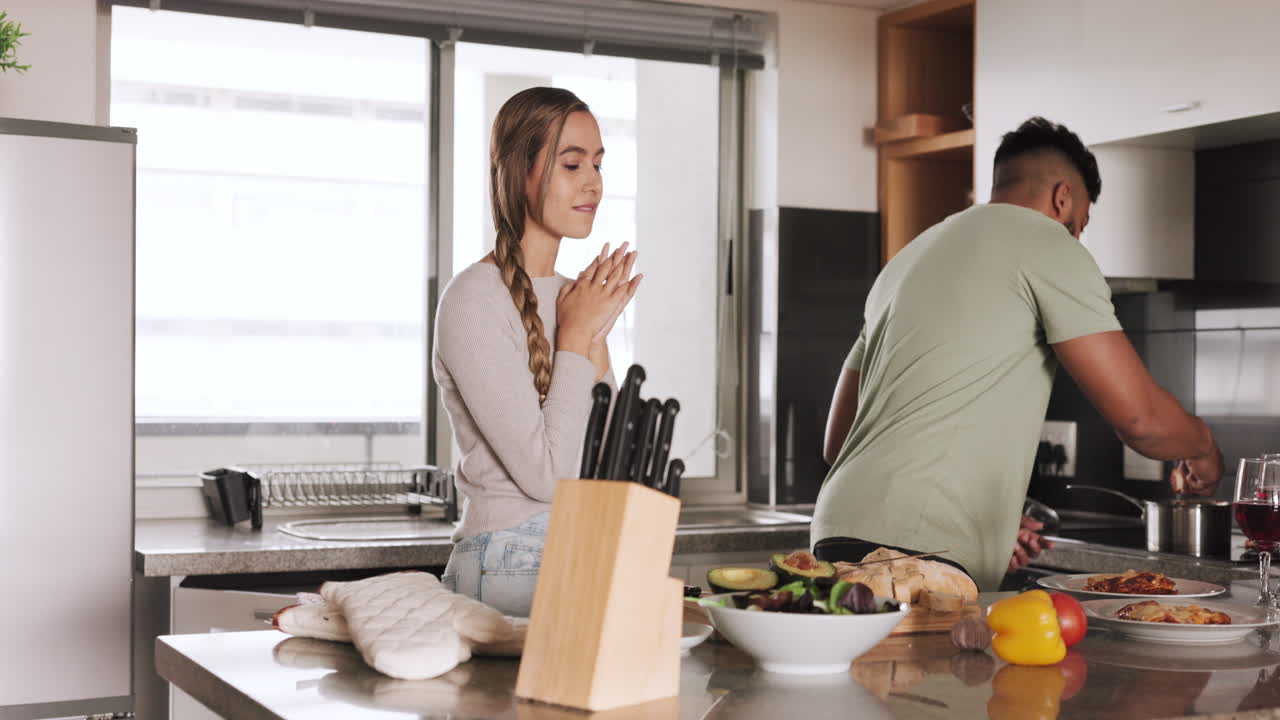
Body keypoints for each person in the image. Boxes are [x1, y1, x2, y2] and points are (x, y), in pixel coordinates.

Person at [813, 116, 1223, 591]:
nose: (1077, 237)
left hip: (837, 531)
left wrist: (985, 522)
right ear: (1063, 197)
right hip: (919, 550)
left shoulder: (908, 258)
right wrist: (1205, 449)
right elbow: (1142, 423)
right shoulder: (1047, 242)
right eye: (1081, 224)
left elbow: (839, 440)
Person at [433, 87, 642, 615]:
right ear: (519, 171)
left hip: (579, 548)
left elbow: (607, 455)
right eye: (572, 164)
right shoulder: (473, 299)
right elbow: (546, 477)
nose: (593, 181)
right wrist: (576, 337)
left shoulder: (574, 297)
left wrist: (588, 333)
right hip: (507, 558)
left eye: (597, 163)